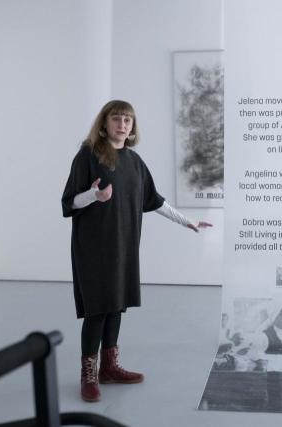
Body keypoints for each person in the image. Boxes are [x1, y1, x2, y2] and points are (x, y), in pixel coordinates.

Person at [61, 100, 211, 402]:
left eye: (128, 120)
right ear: (104, 124)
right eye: (116, 118)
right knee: (97, 309)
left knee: (117, 304)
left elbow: (154, 201)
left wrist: (188, 222)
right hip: (93, 247)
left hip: (124, 245)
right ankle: (88, 374)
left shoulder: (134, 161)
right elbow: (69, 202)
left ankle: (110, 367)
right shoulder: (88, 155)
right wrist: (94, 195)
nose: (122, 124)